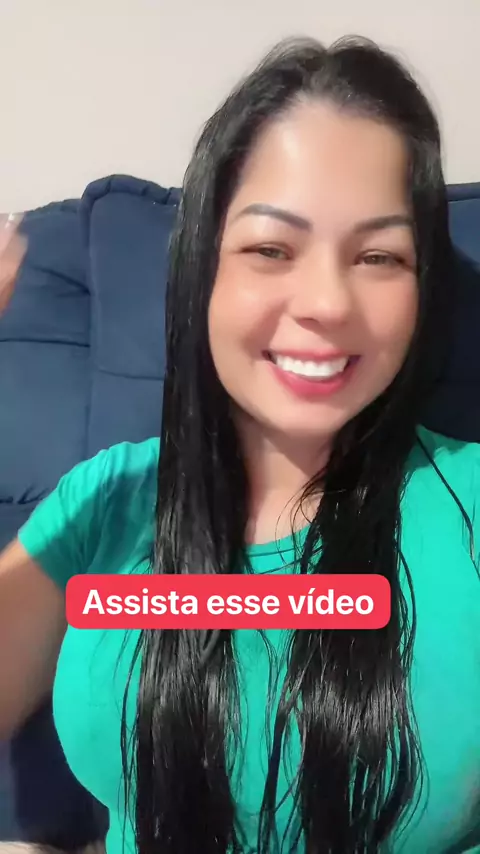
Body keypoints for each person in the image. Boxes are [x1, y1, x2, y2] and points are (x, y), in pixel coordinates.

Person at [1, 34, 479, 854]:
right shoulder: (107, 501)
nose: (327, 302)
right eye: (270, 249)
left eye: (378, 256)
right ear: (204, 271)